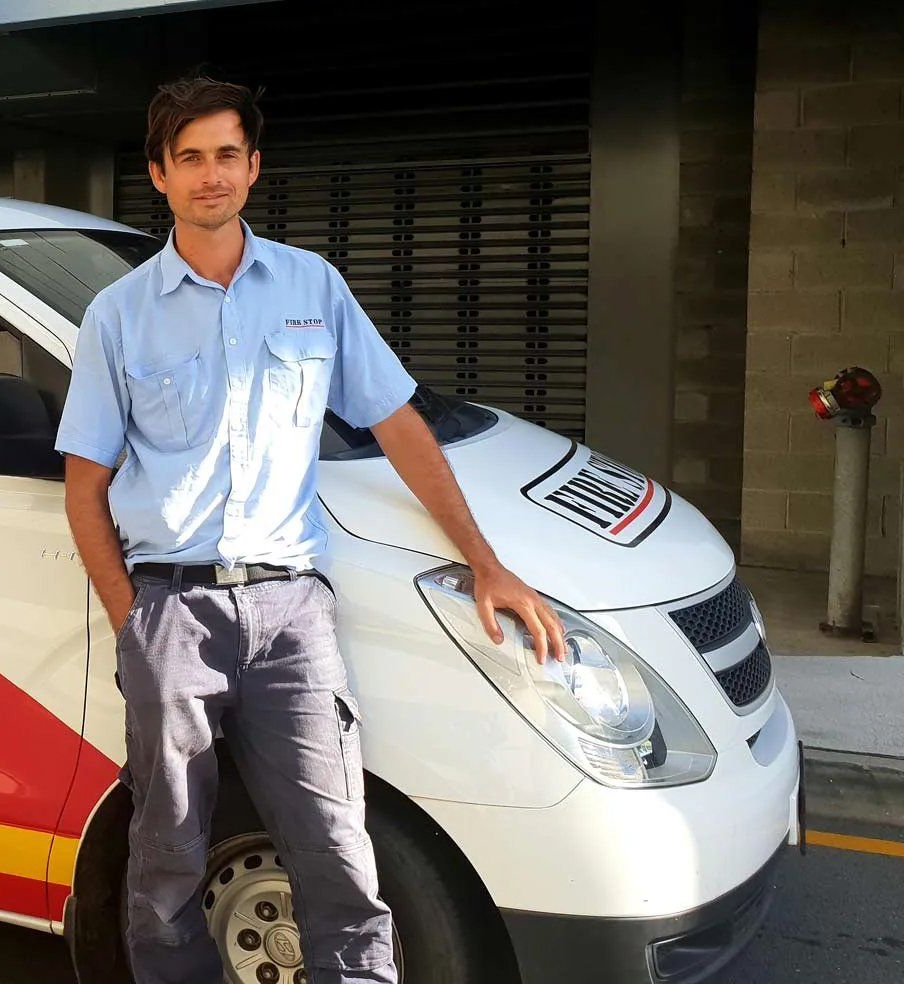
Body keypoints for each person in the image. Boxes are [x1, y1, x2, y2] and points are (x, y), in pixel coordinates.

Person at [55, 77, 564, 984]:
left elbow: (398, 423)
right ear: (158, 176)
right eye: (190, 159)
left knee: (336, 847)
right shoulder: (117, 315)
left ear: (253, 167)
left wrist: (486, 563)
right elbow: (84, 483)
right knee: (167, 855)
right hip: (172, 612)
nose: (210, 176)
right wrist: (133, 619)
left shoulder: (311, 287)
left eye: (226, 156)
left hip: (293, 617)